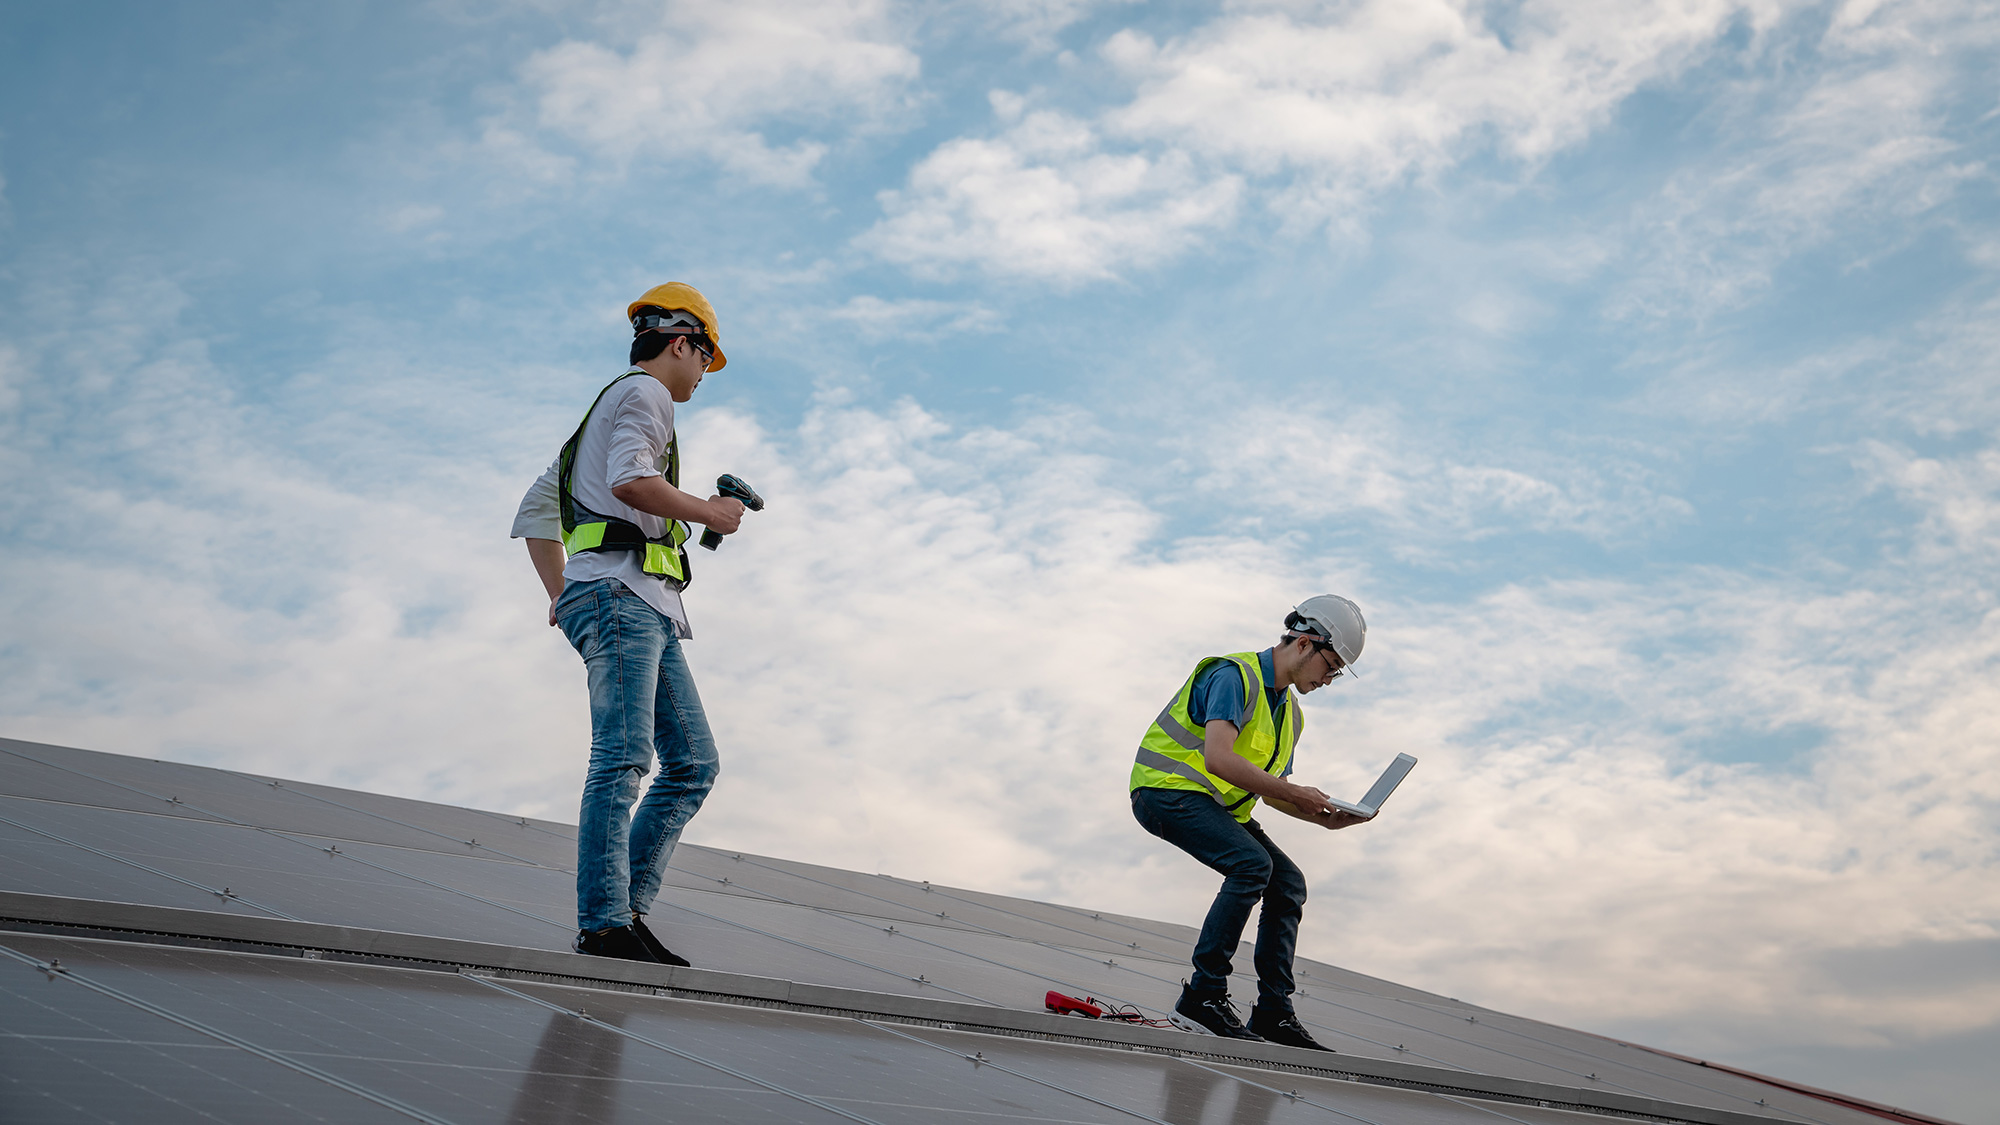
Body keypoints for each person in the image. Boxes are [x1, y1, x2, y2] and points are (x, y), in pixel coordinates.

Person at [510, 282, 744, 965]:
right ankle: (605, 922)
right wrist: (710, 512)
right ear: (681, 344)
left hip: (629, 601)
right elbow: (631, 483)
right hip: (621, 599)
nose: (704, 374)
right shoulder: (646, 397)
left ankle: (625, 911)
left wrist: (562, 593)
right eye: (705, 359)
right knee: (623, 757)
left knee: (693, 762)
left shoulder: (597, 417)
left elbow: (534, 512)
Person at [1128, 595, 1373, 1049]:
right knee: (1250, 865)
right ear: (1304, 643)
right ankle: (1202, 997)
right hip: (1164, 791)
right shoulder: (1233, 676)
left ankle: (1274, 1013)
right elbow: (1219, 759)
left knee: (1288, 884)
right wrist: (1296, 793)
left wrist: (1323, 819)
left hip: (1215, 807)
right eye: (1331, 665)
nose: (1329, 678)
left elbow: (1268, 786)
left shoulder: (1290, 716)